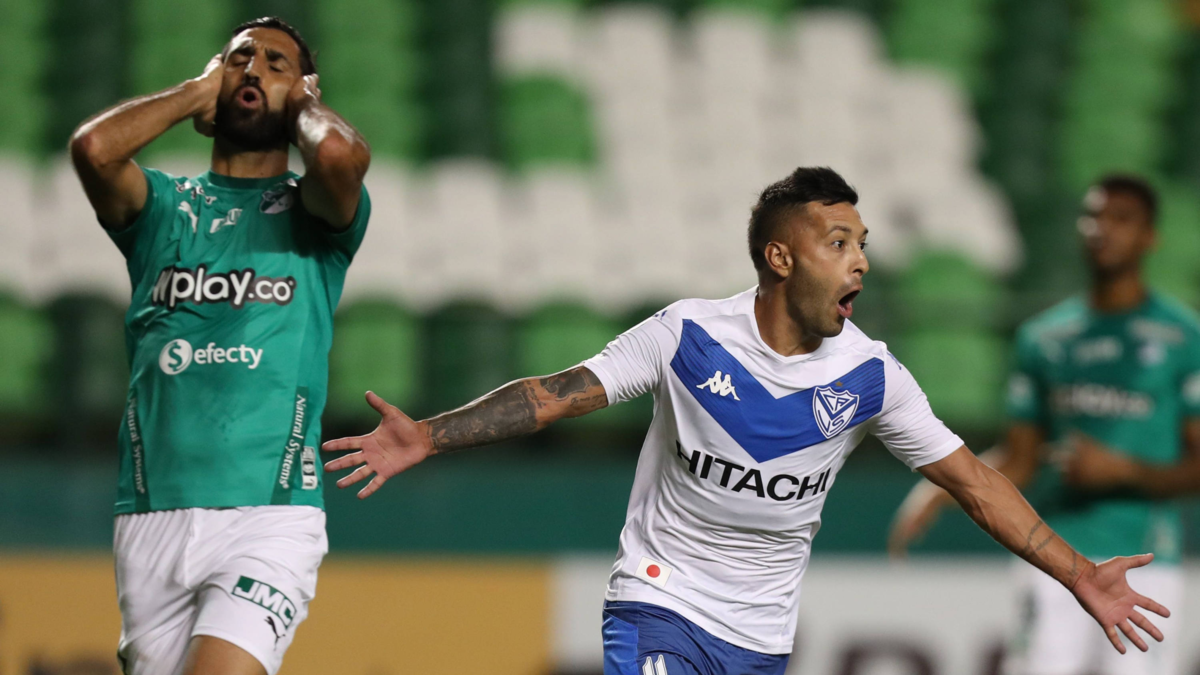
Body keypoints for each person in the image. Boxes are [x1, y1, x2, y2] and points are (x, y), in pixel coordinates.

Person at [325, 167, 1165, 675]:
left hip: (761, 638)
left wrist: (1077, 571)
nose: (863, 260)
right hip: (658, 601)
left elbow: (976, 482)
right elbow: (553, 393)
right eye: (840, 242)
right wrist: (429, 433)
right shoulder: (686, 335)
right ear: (781, 256)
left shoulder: (870, 375)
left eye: (864, 243)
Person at [69, 16, 371, 675]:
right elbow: (93, 150)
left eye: (276, 63)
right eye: (239, 59)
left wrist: (302, 106)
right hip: (151, 514)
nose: (254, 68)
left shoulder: (314, 214)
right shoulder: (162, 208)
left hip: (269, 512)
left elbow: (337, 156)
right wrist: (194, 92)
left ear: (303, 91)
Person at [889, 174, 1199, 675]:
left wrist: (1123, 471)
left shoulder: (1183, 338)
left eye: (1122, 219)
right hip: (1057, 560)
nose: (1102, 229)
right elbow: (1020, 458)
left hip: (1147, 564)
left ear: (1150, 237)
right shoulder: (1044, 338)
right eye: (1093, 216)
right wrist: (938, 491)